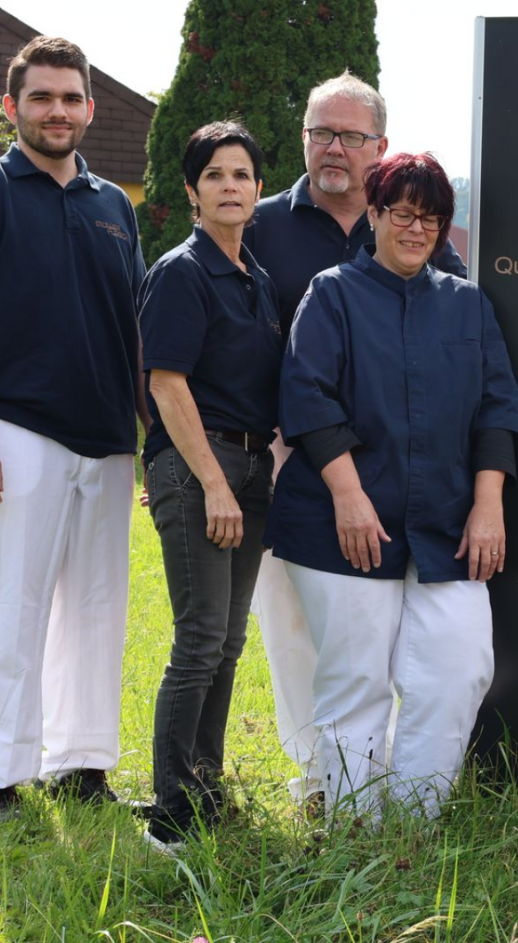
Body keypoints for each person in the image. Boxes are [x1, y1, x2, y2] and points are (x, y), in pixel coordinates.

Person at [265, 152, 518, 817]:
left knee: (460, 669)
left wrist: (488, 505)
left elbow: (497, 408)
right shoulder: (333, 294)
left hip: (446, 524)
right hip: (339, 523)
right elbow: (308, 397)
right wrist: (348, 497)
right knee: (356, 683)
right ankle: (355, 831)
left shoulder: (468, 306)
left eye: (430, 218)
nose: (415, 229)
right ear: (373, 214)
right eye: (402, 213)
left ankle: (411, 826)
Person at [243, 72, 467, 805]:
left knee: (366, 643)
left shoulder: (421, 238)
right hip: (281, 462)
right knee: (294, 632)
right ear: (304, 137)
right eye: (320, 133)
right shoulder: (261, 226)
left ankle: (378, 785)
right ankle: (320, 783)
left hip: (386, 474)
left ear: (381, 147)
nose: (333, 148)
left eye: (350, 135)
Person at [0, 36, 147, 818]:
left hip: (109, 435)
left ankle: (81, 766)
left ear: (90, 107)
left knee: (97, 608)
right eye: (41, 97)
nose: (57, 111)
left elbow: (136, 328)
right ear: (12, 107)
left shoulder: (113, 205)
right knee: (11, 605)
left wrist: (152, 440)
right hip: (17, 427)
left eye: (70, 98)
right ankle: (2, 772)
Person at [137, 121, 282, 849]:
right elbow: (167, 384)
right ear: (192, 190)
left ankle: (205, 783)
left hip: (253, 469)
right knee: (198, 640)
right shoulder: (182, 272)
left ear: (259, 189)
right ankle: (171, 811)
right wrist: (211, 485)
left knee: (227, 643)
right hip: (204, 469)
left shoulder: (256, 278)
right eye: (217, 175)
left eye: (244, 175)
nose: (232, 186)